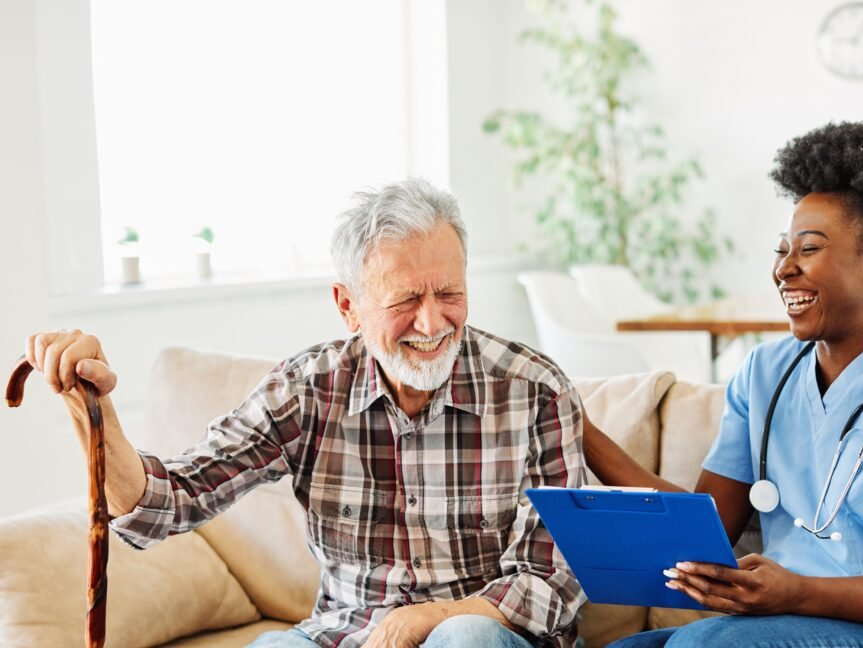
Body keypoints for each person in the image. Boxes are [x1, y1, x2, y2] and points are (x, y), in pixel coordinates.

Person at [24, 178, 586, 648]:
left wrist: (434, 617)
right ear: (348, 306)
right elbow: (166, 503)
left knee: (463, 640)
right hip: (349, 634)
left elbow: (555, 578)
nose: (433, 322)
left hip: (486, 635)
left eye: (449, 293)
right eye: (406, 301)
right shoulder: (306, 390)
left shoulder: (534, 390)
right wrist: (92, 412)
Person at [584, 122, 863, 648]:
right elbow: (701, 529)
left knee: (701, 647)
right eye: (782, 251)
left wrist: (795, 592)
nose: (784, 270)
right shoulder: (763, 373)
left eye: (808, 249)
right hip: (776, 625)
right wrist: (581, 430)